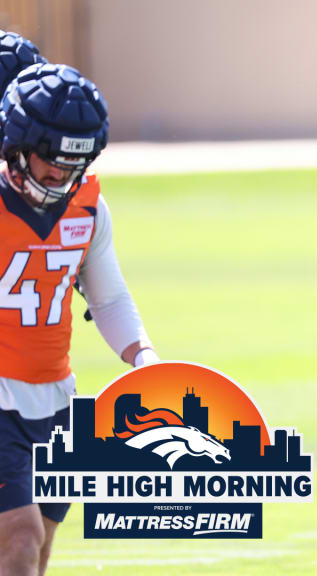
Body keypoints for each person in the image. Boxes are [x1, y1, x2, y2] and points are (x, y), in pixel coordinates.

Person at [0, 61, 158, 575]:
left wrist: (145, 359)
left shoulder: (88, 206)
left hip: (53, 397)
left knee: (37, 550)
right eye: (49, 161)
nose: (58, 175)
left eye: (72, 164)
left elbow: (108, 298)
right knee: (19, 538)